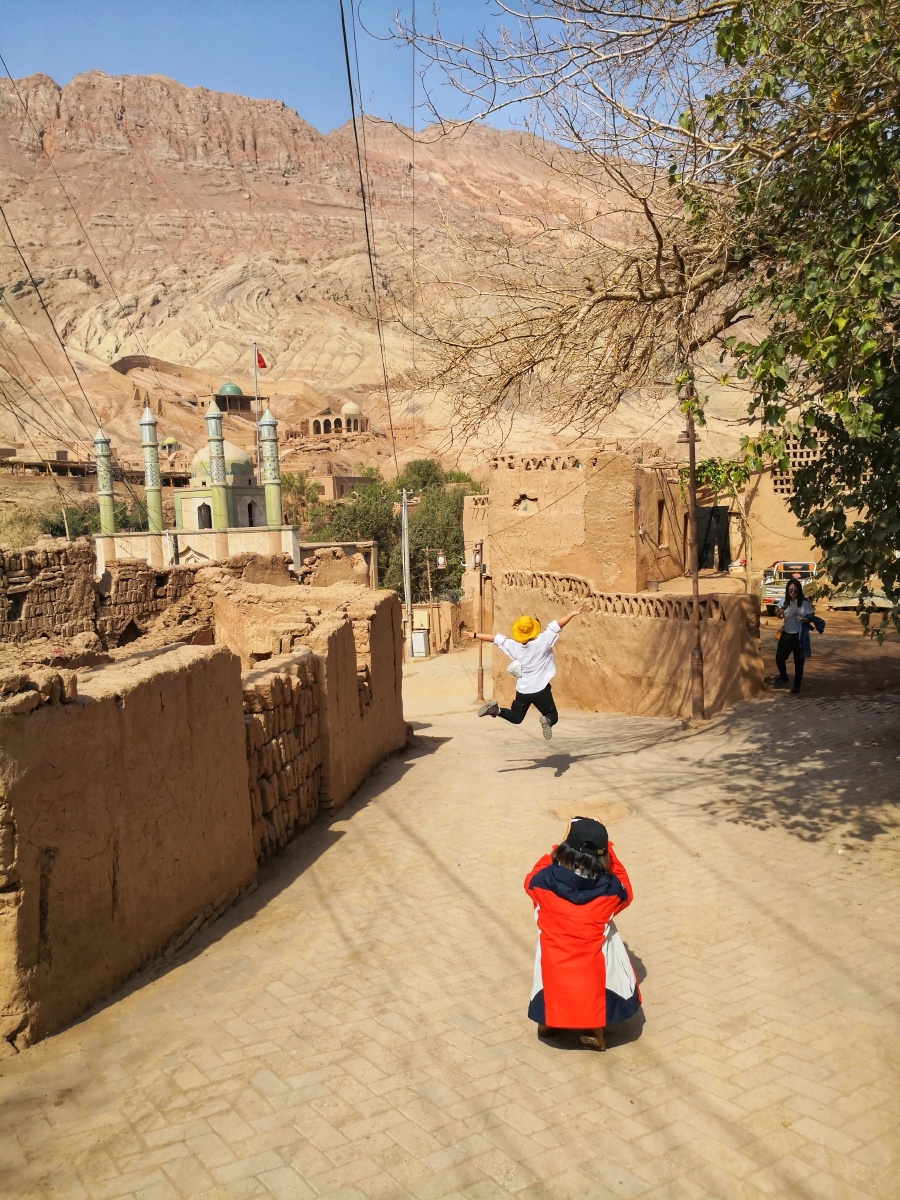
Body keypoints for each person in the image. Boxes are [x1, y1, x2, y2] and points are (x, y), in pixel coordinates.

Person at [524, 817, 641, 1051]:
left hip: (553, 959)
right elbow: (627, 891)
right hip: (591, 963)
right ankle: (593, 1028)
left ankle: (548, 1023)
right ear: (602, 855)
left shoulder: (543, 880)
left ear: (567, 848)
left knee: (549, 969)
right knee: (609, 944)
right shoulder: (610, 889)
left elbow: (530, 877)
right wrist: (609, 850)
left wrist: (560, 845)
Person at [468, 604, 584, 739]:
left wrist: (474, 634)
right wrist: (573, 613)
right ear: (534, 630)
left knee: (517, 717)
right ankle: (547, 721)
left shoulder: (514, 647)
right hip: (541, 689)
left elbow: (494, 638)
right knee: (552, 715)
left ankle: (495, 710)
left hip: (523, 690)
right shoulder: (543, 641)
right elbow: (557, 626)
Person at [772, 577, 815, 694]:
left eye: (795, 590)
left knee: (799, 661)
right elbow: (780, 616)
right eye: (790, 590)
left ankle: (797, 685)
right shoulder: (783, 602)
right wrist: (778, 614)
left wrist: (804, 619)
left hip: (800, 635)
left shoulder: (805, 603)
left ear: (799, 590)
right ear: (787, 590)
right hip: (787, 634)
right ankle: (783, 676)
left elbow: (811, 618)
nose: (792, 592)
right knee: (779, 658)